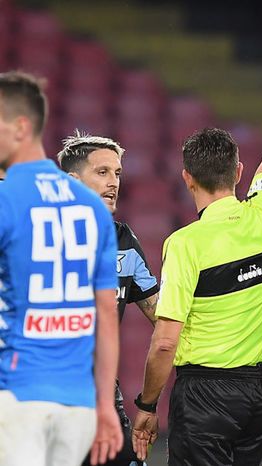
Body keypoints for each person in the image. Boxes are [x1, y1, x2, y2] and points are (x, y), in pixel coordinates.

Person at [130, 50, 262, 465]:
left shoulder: (185, 244)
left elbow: (165, 343)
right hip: (256, 397)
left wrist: (147, 407)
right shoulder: (261, 217)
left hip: (203, 395)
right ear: (239, 173)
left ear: (187, 177)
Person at [0, 71, 122, 465]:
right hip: (78, 403)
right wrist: (105, 405)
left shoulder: (7, 199)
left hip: (17, 395)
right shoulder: (92, 210)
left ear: (20, 127)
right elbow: (106, 315)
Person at [57, 131, 160, 466]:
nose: (113, 182)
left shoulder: (123, 241)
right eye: (102, 173)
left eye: (117, 173)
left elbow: (162, 315)